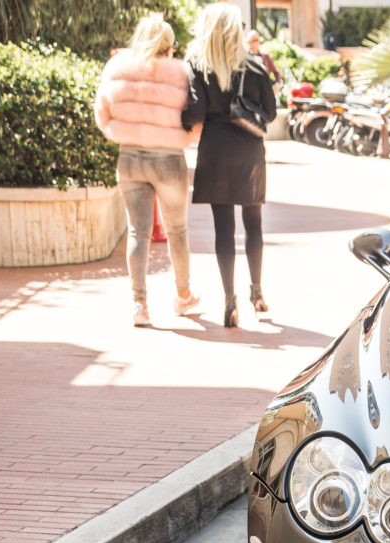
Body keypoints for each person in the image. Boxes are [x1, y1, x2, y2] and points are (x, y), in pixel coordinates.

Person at [94, 13, 202, 327]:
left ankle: (139, 305)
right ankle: (183, 295)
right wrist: (184, 139)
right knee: (177, 231)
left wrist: (121, 134)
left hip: (129, 158)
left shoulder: (117, 67)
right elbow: (194, 115)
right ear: (168, 46)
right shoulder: (180, 71)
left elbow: (102, 113)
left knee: (137, 231)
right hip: (169, 159)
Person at [182, 4, 277, 328]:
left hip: (215, 151)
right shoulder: (255, 65)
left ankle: (229, 301)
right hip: (249, 150)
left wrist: (181, 123)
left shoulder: (198, 65)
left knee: (224, 229)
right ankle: (258, 292)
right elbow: (271, 112)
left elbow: (194, 111)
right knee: (254, 224)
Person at [245, 29, 281, 94]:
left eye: (257, 40)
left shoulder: (265, 56)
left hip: (263, 92)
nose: (255, 43)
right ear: (248, 41)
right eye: (252, 40)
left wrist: (277, 84)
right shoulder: (245, 57)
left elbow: (276, 72)